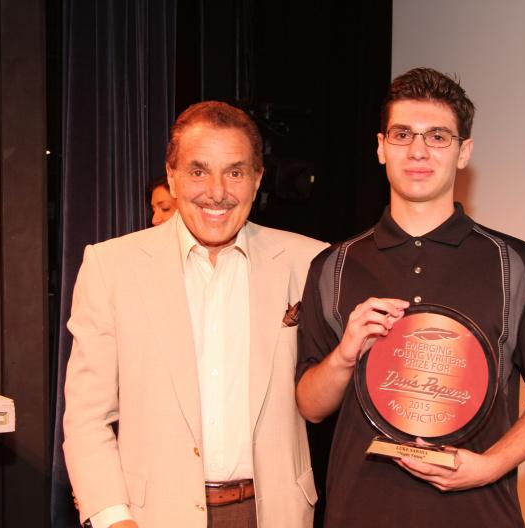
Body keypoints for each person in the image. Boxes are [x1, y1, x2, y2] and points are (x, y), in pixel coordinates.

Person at [295, 68, 525, 527]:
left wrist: (489, 466)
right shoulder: (333, 265)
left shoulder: (519, 266)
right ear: (381, 146)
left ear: (464, 152)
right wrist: (345, 355)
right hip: (359, 514)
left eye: (438, 136)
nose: (418, 150)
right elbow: (311, 405)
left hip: (480, 515)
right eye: (403, 134)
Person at [63, 101, 327, 528]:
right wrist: (114, 518)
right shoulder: (110, 266)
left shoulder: (310, 261)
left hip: (273, 513)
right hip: (151, 517)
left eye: (235, 172)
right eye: (199, 171)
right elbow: (87, 418)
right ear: (172, 175)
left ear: (257, 179)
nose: (217, 191)